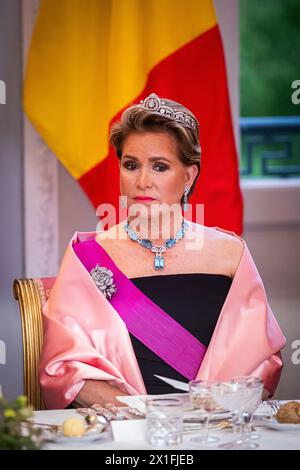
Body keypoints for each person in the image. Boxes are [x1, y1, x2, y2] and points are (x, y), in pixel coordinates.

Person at [39, 93, 286, 410]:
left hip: (214, 430)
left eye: (159, 166)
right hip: (123, 431)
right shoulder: (87, 256)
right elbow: (65, 368)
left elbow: (261, 363)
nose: (142, 181)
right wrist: (147, 420)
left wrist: (204, 420)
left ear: (188, 176)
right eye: (131, 165)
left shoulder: (230, 254)